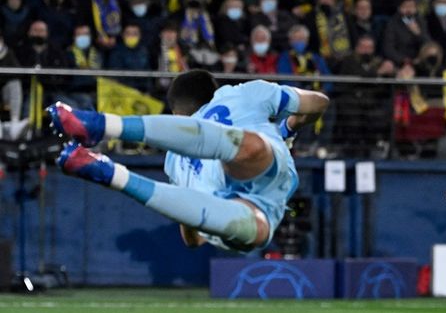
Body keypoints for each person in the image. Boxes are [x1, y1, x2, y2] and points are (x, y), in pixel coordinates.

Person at [48, 70, 330, 252]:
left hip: (222, 209)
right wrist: (289, 128)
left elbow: (192, 240)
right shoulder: (243, 92)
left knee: (250, 222)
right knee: (253, 155)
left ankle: (108, 152)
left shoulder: (173, 158)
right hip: (262, 182)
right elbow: (319, 102)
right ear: (214, 90)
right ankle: (112, 164)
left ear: (176, 113)